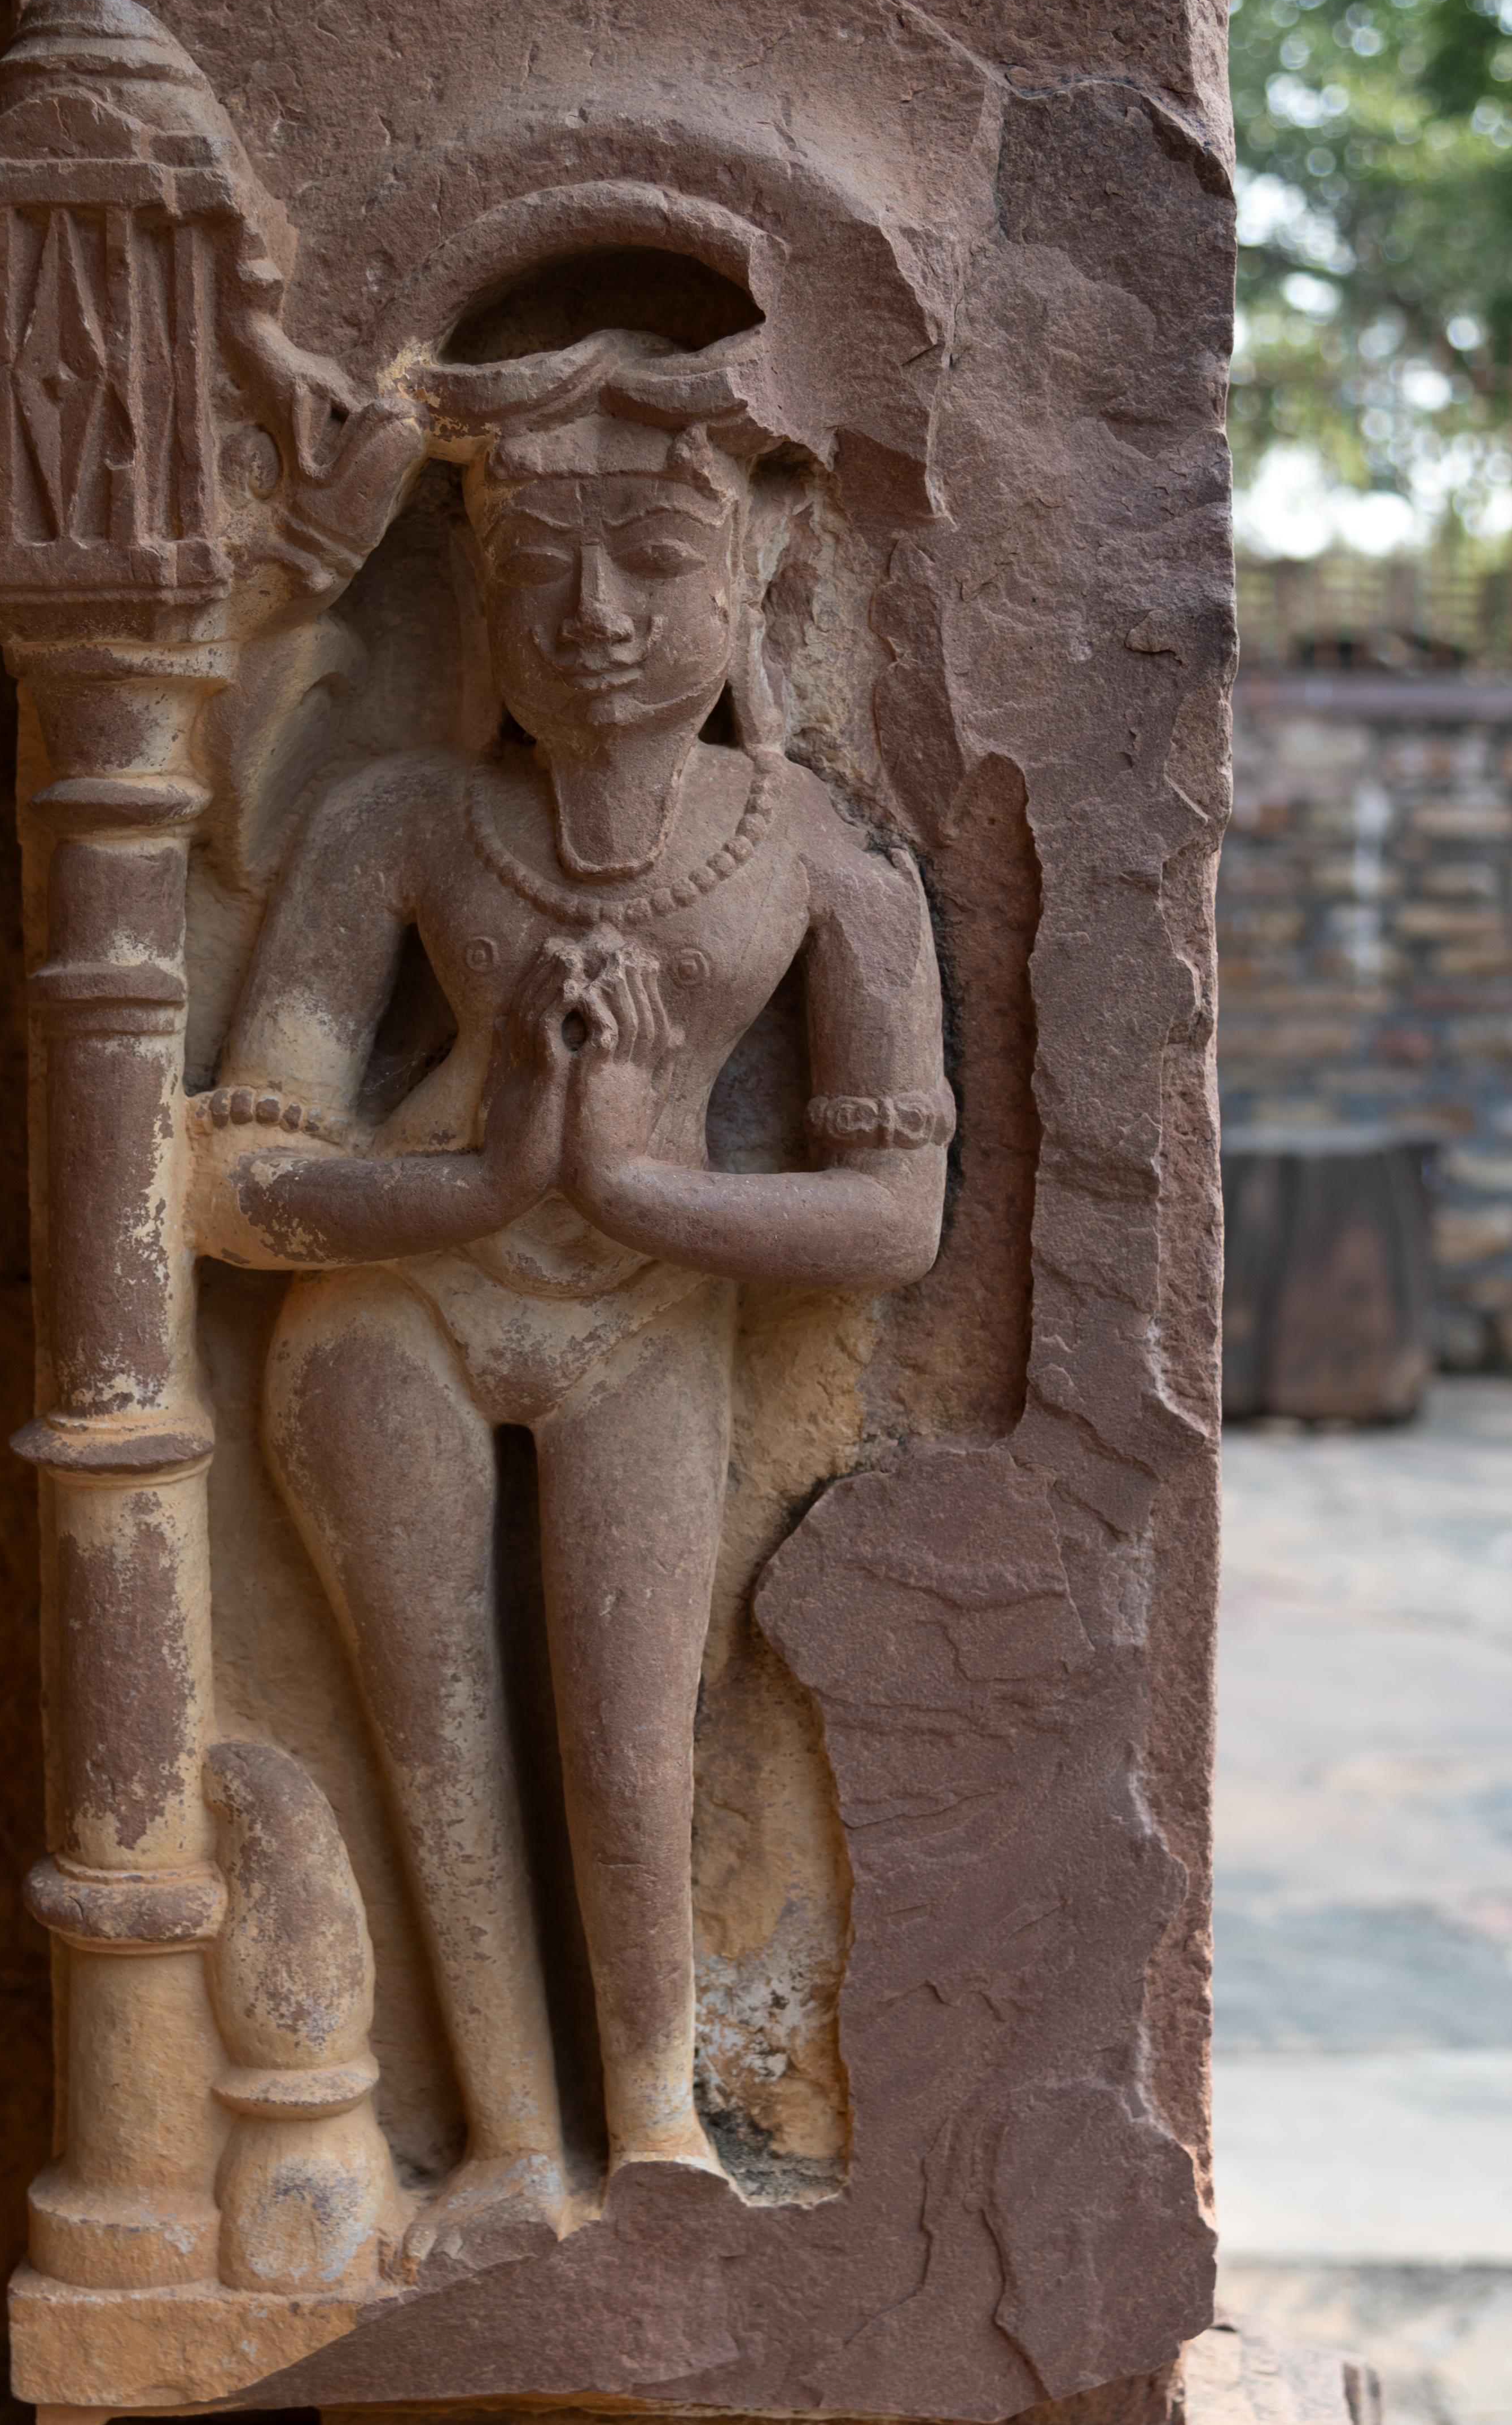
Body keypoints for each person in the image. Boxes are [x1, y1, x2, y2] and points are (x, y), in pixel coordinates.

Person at [187, 327, 952, 2264]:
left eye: (653, 562)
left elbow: (894, 1220)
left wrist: (626, 1188)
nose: (592, 615)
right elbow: (236, 1182)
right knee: (436, 1739)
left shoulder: (818, 855)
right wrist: (491, 1176)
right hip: (396, 1313)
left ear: (752, 583)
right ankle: (513, 2146)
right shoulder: (403, 823)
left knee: (633, 1734)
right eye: (536, 569)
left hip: (646, 1312)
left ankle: (654, 2121)